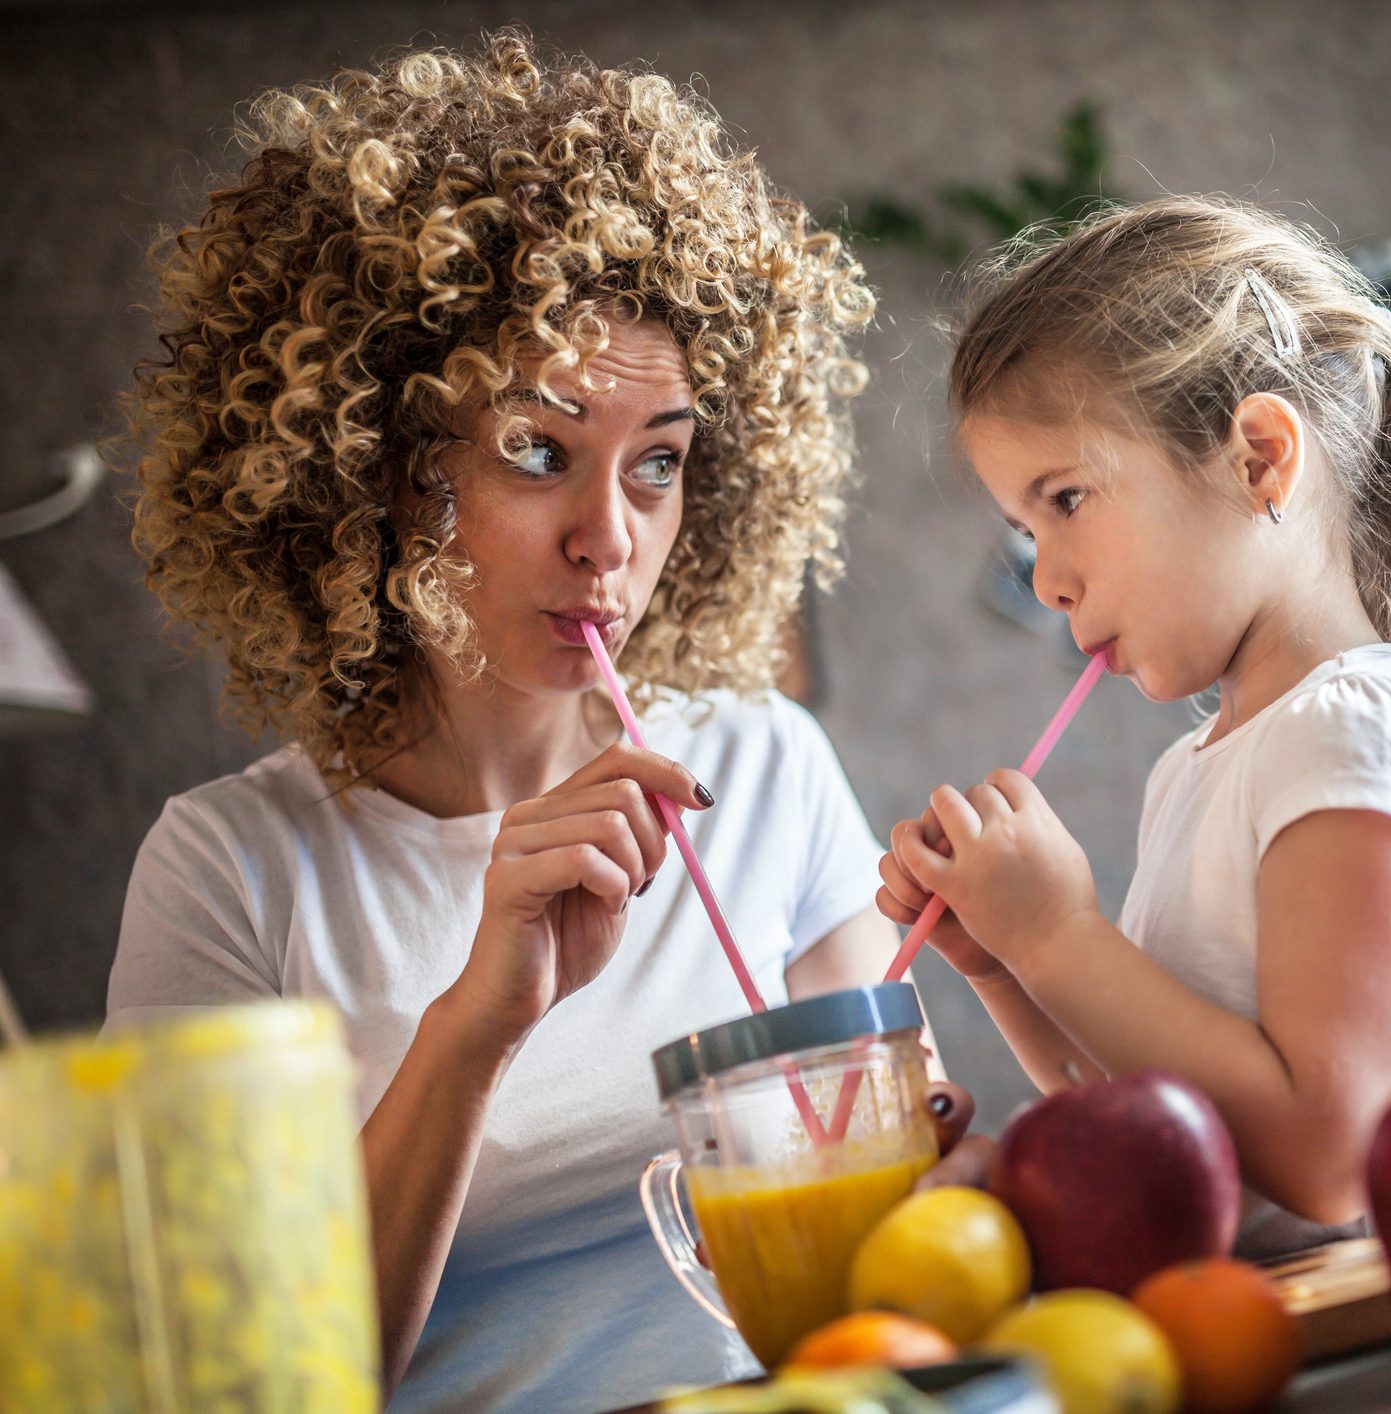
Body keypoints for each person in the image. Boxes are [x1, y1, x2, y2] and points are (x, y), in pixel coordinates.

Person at [108, 33, 961, 1411]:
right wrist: (474, 1025)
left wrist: (931, 1155)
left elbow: (899, 1252)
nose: (609, 540)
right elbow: (233, 1385)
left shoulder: (760, 764)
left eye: (661, 464)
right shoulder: (226, 872)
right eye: (536, 450)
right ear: (380, 468)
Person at [877, 196, 1391, 1257]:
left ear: (1259, 458)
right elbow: (1152, 1119)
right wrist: (1007, 959)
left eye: (1066, 499)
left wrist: (1058, 935)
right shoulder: (1193, 768)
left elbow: (1331, 1155)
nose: (1046, 579)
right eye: (1021, 530)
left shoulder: (1345, 733)